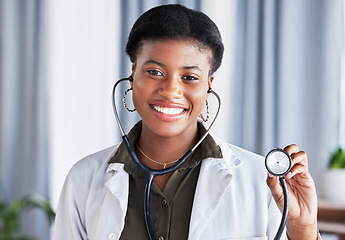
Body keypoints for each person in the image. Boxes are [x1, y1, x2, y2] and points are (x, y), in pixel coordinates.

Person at [52, 4, 320, 240]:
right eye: (154, 72)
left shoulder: (261, 182)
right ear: (133, 75)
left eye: (189, 77)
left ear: (208, 85)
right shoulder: (84, 180)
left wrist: (303, 228)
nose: (170, 91)